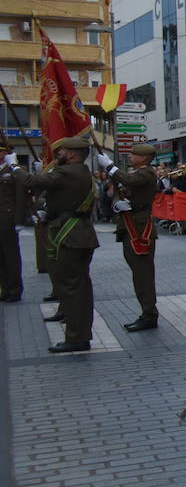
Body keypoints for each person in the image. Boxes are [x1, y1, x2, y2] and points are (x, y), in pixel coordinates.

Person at [28, 134, 100, 353]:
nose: (57, 154)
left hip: (70, 235)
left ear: (72, 154)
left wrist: (14, 168)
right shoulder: (79, 171)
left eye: (61, 151)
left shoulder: (68, 171)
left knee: (72, 288)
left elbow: (32, 183)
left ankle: (77, 337)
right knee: (78, 287)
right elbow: (58, 197)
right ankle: (79, 334)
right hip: (78, 233)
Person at [99, 143, 164, 330]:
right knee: (138, 273)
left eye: (133, 154)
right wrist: (117, 205)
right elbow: (125, 191)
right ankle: (146, 312)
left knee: (143, 275)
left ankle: (149, 315)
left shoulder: (146, 173)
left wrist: (109, 166)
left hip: (139, 228)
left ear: (143, 158)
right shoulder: (137, 173)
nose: (129, 157)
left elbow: (128, 181)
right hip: (131, 224)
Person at [0, 141, 29, 302]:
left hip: (8, 219)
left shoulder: (15, 171)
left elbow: (21, 196)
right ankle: (4, 288)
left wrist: (19, 220)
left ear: (6, 153)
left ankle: (15, 289)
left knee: (10, 256)